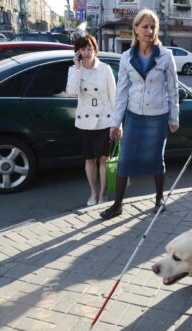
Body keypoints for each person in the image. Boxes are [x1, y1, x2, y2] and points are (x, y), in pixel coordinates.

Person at [100, 8, 180, 220]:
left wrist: (174, 117)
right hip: (134, 115)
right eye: (145, 26)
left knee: (156, 159)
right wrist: (115, 123)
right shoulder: (127, 57)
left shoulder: (165, 56)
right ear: (135, 29)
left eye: (153, 26)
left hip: (158, 115)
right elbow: (122, 92)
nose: (149, 30)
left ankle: (159, 199)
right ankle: (117, 205)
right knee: (124, 159)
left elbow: (173, 89)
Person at [66, 34, 116, 207]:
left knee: (103, 159)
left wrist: (118, 124)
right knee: (89, 160)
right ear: (77, 52)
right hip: (85, 122)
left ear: (95, 50)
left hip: (105, 121)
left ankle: (103, 194)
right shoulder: (74, 70)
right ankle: (93, 193)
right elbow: (72, 91)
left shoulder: (105, 69)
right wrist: (77, 68)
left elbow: (114, 97)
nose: (87, 53)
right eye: (82, 49)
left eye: (89, 49)